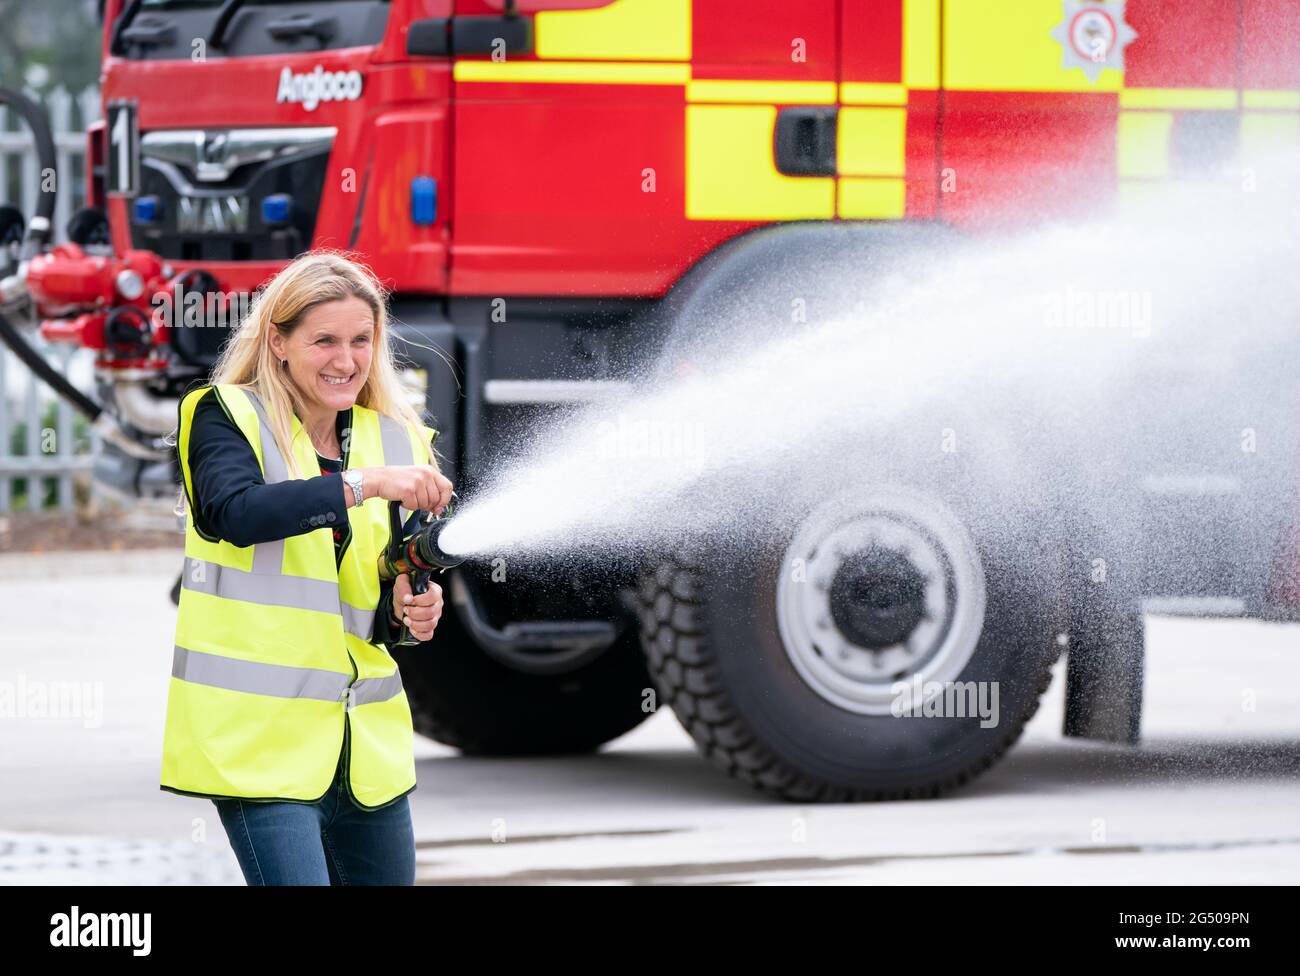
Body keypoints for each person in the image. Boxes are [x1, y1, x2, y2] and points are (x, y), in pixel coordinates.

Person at [159, 250, 454, 885]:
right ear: (278, 341)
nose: (346, 361)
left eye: (361, 341)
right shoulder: (224, 415)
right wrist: (364, 483)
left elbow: (375, 596)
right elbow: (236, 514)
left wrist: (409, 611)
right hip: (260, 747)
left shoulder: (397, 438)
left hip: (363, 753)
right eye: (324, 340)